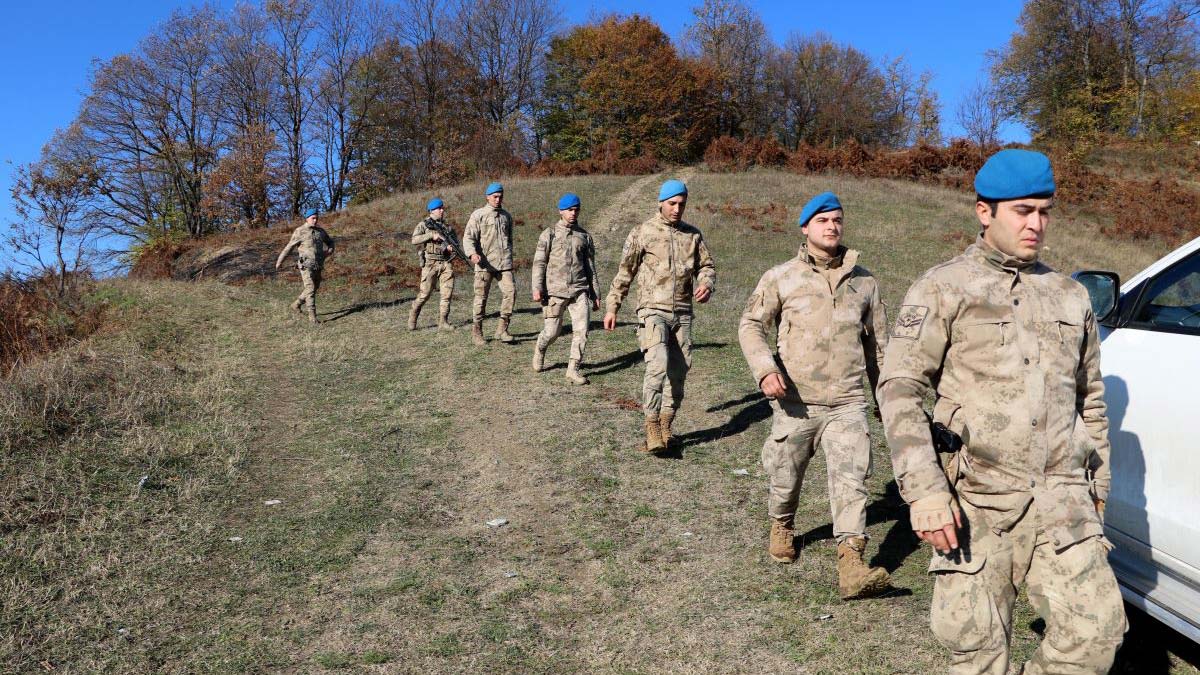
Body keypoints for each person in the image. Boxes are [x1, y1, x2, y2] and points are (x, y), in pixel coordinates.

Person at [878, 149, 1126, 674]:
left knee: (1097, 635)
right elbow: (900, 388)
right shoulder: (943, 287)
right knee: (979, 653)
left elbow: (1091, 399)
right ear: (984, 211)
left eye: (1044, 211)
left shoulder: (1070, 295)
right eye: (1022, 211)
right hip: (978, 500)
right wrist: (925, 491)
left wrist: (1098, 487)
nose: (1036, 224)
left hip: (1063, 500)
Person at [738, 191, 892, 599]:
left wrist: (886, 398)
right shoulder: (781, 277)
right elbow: (751, 325)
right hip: (796, 403)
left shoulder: (865, 282)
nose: (832, 226)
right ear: (805, 228)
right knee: (785, 476)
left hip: (848, 401)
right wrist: (765, 370)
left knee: (852, 480)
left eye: (837, 219)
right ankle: (782, 523)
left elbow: (879, 348)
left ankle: (852, 562)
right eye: (823, 220)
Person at [603, 179, 715, 453]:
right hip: (652, 309)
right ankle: (651, 426)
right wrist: (612, 306)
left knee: (679, 372)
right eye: (672, 203)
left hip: (683, 312)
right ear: (661, 203)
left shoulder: (693, 235)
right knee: (657, 364)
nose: (677, 209)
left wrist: (706, 283)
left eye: (681, 204)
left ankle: (666, 424)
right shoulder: (642, 232)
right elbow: (625, 271)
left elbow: (707, 266)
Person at [532, 193, 600, 385]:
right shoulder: (549, 234)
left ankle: (573, 369)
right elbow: (539, 263)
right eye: (569, 210)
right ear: (560, 211)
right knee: (552, 332)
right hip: (555, 292)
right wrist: (537, 287)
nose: (573, 213)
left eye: (576, 210)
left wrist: (595, 293)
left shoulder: (584, 236)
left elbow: (590, 267)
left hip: (579, 290)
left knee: (582, 330)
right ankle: (541, 348)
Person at [462, 182, 515, 346]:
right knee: (481, 299)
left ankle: (502, 329)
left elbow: (510, 239)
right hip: (484, 264)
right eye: (495, 197)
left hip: (504, 264)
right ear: (487, 197)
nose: (498, 199)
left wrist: (509, 256)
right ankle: (477, 332)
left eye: (500, 197)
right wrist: (472, 253)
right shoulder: (478, 215)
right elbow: (468, 237)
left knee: (511, 293)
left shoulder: (506, 216)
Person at [275, 208, 335, 324]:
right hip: (305, 265)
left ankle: (296, 304)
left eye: (317, 218)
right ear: (307, 218)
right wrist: (279, 262)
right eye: (313, 218)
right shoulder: (300, 231)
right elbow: (289, 247)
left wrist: (330, 250)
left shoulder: (320, 231)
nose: (315, 220)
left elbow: (330, 242)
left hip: (318, 265)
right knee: (310, 288)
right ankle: (312, 318)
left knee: (315, 287)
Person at [409, 197, 457, 331]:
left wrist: (451, 248)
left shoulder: (447, 227)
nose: (442, 210)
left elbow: (455, 243)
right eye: (439, 208)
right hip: (430, 264)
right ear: (431, 211)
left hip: (445, 263)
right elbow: (414, 239)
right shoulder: (424, 225)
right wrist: (431, 236)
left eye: (442, 208)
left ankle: (443, 321)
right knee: (425, 294)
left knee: (447, 294)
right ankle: (413, 315)